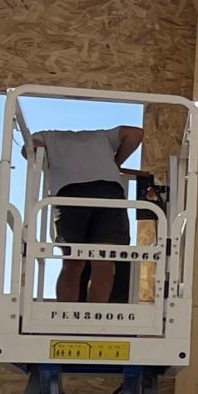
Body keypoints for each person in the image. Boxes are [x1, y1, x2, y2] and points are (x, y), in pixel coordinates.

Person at [33, 123, 142, 304]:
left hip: (70, 195)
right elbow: (135, 133)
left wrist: (50, 163)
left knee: (73, 262)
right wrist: (116, 163)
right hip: (108, 193)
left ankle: (65, 316)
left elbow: (33, 150)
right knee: (104, 261)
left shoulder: (46, 136)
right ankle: (96, 315)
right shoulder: (103, 136)